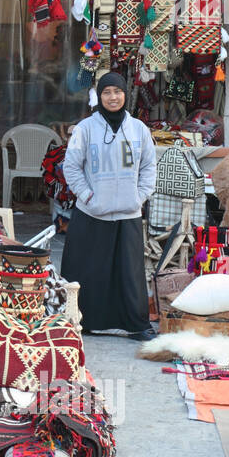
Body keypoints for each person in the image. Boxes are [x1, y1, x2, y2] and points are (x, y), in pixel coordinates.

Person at [60, 71, 158, 341]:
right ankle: (84, 321)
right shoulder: (85, 129)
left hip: (128, 212)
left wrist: (140, 196)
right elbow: (71, 166)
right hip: (92, 211)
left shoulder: (139, 129)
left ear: (125, 94)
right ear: (99, 96)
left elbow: (149, 166)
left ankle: (136, 325)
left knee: (129, 273)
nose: (113, 97)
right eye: (107, 92)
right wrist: (87, 195)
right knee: (88, 269)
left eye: (117, 92)